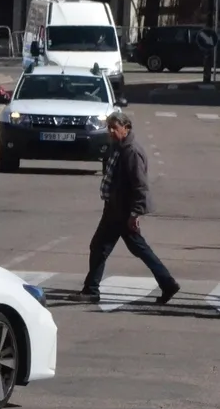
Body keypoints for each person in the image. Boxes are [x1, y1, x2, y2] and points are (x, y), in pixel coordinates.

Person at [70, 112, 181, 304]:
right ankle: (167, 283)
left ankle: (92, 290)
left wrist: (134, 213)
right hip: (114, 208)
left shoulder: (131, 152)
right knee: (115, 247)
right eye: (109, 128)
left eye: (115, 128)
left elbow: (140, 186)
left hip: (122, 211)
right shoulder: (118, 147)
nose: (111, 131)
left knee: (109, 247)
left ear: (126, 128)